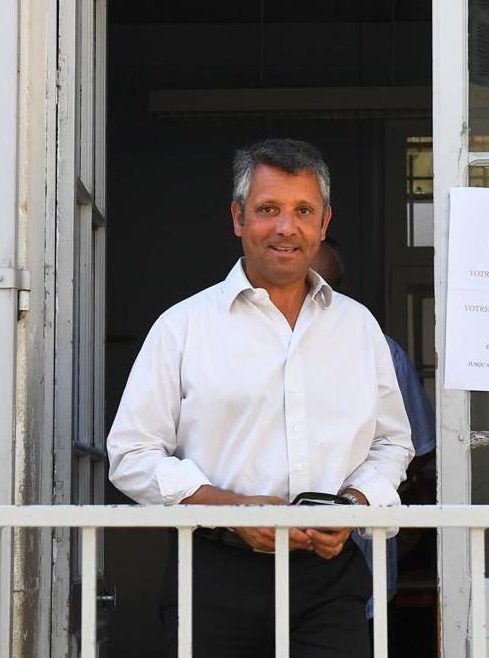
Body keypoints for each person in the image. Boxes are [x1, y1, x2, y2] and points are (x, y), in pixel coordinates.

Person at [107, 139, 414, 657]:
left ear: (323, 221)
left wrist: (353, 505)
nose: (285, 228)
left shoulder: (358, 328)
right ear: (238, 217)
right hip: (214, 576)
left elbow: (392, 444)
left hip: (328, 580)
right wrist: (232, 510)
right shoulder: (182, 327)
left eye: (302, 211)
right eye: (268, 209)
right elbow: (131, 454)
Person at [311, 238, 436, 619]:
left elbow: (416, 447)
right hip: (259, 556)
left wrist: (361, 493)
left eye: (318, 283)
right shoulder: (240, 346)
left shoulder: (380, 351)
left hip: (356, 544)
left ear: (337, 291)